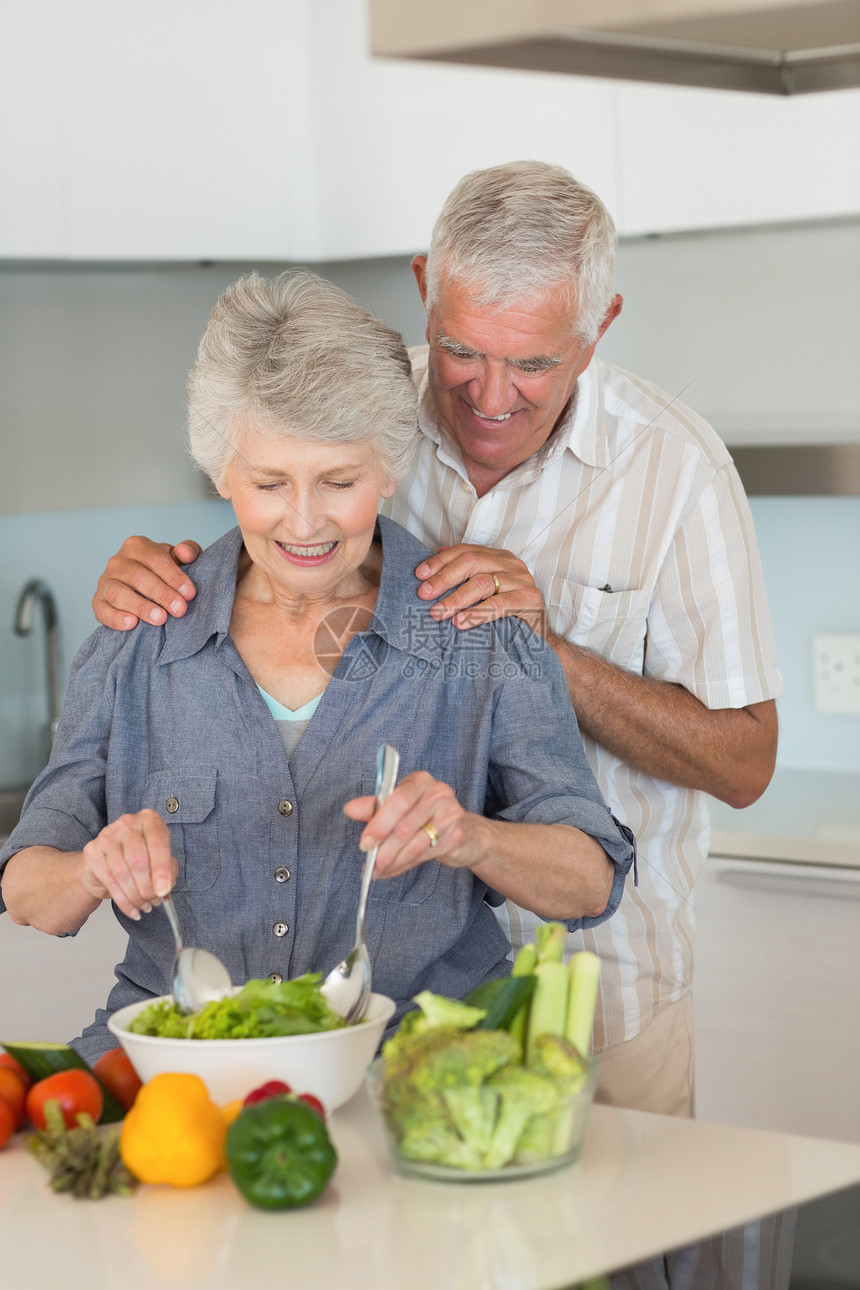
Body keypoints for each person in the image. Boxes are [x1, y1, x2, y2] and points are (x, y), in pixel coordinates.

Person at [89, 162, 781, 1115]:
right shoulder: (358, 413)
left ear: (599, 328)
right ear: (424, 288)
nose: (489, 395)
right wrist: (148, 575)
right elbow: (267, 529)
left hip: (607, 979)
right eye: (460, 350)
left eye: (533, 362)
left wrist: (543, 645)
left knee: (620, 1255)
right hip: (399, 1005)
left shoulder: (678, 472)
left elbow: (745, 763)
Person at [0, 269, 635, 1064]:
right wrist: (94, 868)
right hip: (183, 1059)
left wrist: (469, 837)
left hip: (415, 1065)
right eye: (270, 483)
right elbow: (30, 892)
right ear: (221, 473)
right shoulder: (140, 636)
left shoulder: (478, 633)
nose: (304, 522)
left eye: (339, 481)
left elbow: (590, 880)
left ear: (391, 469)